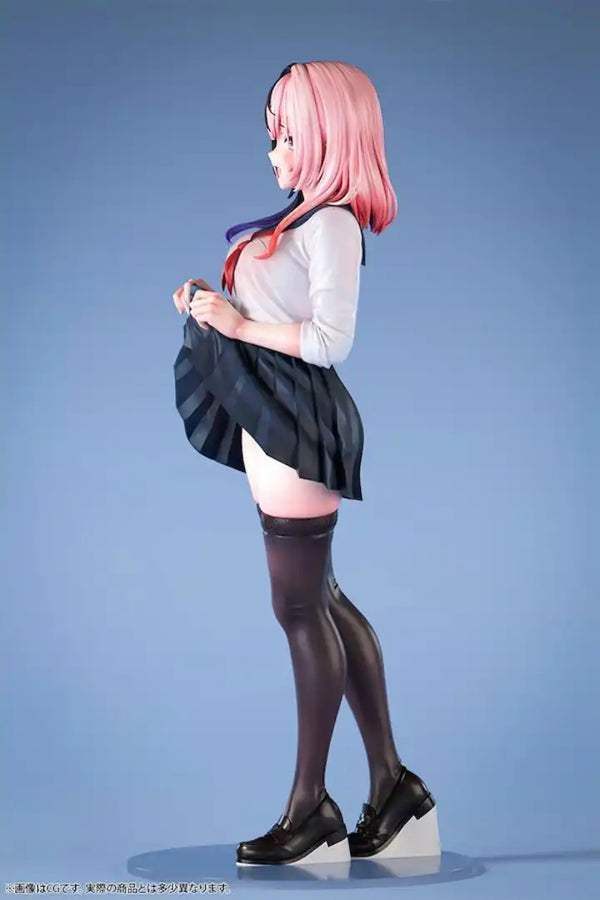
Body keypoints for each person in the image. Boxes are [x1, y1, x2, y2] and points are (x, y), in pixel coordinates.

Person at [172, 61, 436, 867]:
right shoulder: (302, 218)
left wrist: (236, 326)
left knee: (298, 609)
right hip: (278, 419)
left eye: (287, 137)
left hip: (299, 421)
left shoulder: (331, 224)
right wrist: (214, 307)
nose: (275, 154)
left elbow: (330, 341)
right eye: (272, 138)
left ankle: (311, 808)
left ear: (328, 136)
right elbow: (272, 315)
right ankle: (394, 788)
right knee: (319, 598)